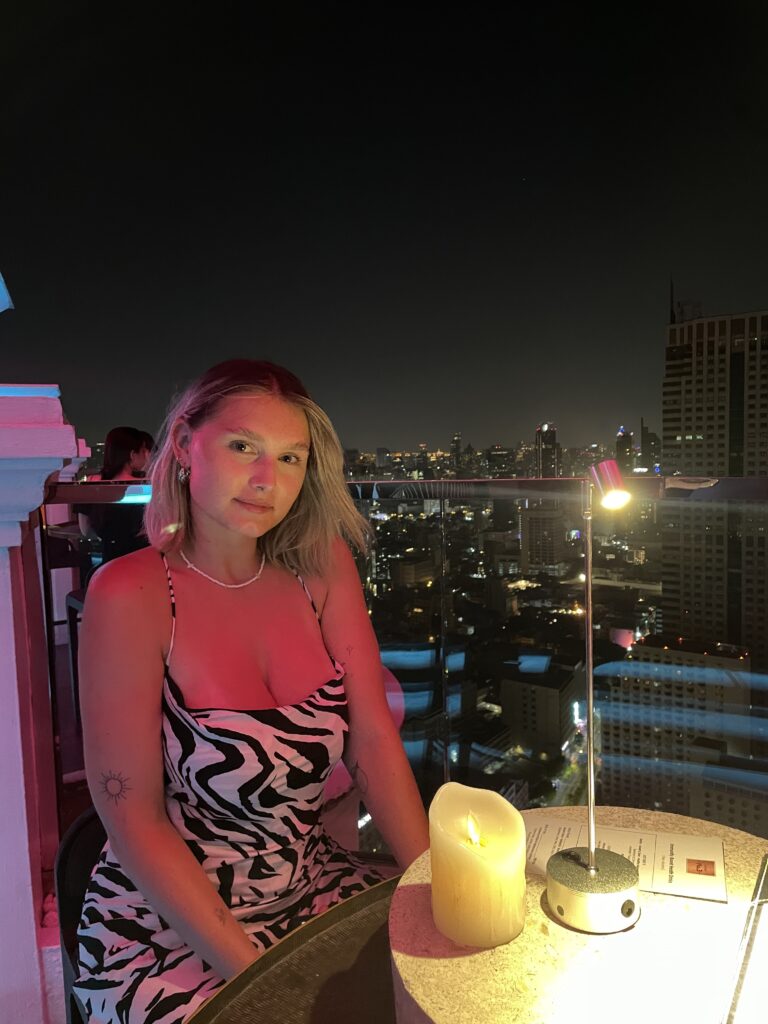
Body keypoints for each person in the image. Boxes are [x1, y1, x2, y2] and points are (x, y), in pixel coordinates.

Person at [73, 360, 429, 1024]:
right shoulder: (133, 594)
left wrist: (437, 888)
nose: (268, 480)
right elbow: (134, 818)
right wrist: (263, 981)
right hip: (165, 926)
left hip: (308, 882)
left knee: (456, 983)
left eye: (291, 457)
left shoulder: (320, 569)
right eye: (243, 447)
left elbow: (374, 745)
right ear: (183, 444)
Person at [77, 426, 155, 564]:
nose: (148, 455)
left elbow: (85, 530)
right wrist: (151, 468)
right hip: (143, 561)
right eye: (144, 451)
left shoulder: (92, 484)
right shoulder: (146, 487)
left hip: (109, 561)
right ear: (132, 455)